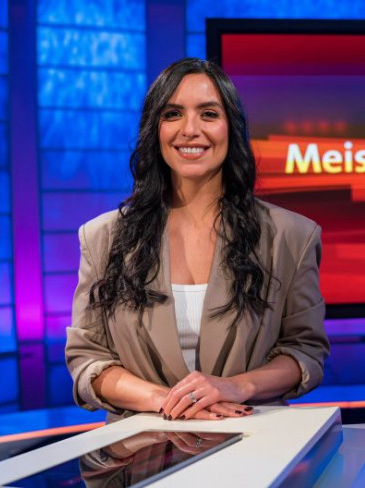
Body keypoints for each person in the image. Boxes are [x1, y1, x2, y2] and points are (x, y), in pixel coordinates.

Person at [65, 58, 329, 422]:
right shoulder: (102, 238)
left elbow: (305, 352)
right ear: (154, 129)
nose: (190, 130)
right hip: (141, 446)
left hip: (255, 440)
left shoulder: (292, 236)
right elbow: (88, 358)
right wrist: (167, 400)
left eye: (208, 114)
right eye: (173, 114)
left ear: (231, 127)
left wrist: (235, 386)